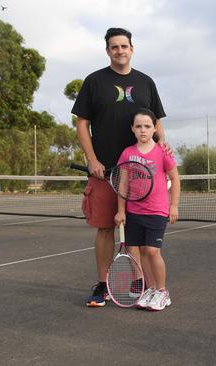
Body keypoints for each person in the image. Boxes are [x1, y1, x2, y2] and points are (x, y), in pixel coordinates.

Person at [72, 27, 167, 307]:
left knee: (138, 233)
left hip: (140, 175)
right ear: (108, 51)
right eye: (114, 47)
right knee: (104, 229)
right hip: (105, 172)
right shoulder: (94, 81)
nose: (120, 51)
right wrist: (92, 159)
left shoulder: (146, 82)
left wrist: (162, 151)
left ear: (132, 49)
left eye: (124, 46)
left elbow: (157, 122)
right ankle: (103, 285)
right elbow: (82, 123)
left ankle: (143, 285)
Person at [114, 108, 180, 311]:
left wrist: (174, 205)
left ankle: (162, 291)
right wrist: (121, 210)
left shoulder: (162, 152)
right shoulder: (128, 153)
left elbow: (175, 179)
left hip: (157, 212)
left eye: (147, 126)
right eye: (139, 126)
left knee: (152, 251)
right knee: (138, 253)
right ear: (132, 129)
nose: (143, 130)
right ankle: (149, 288)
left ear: (154, 128)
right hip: (134, 212)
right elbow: (123, 184)